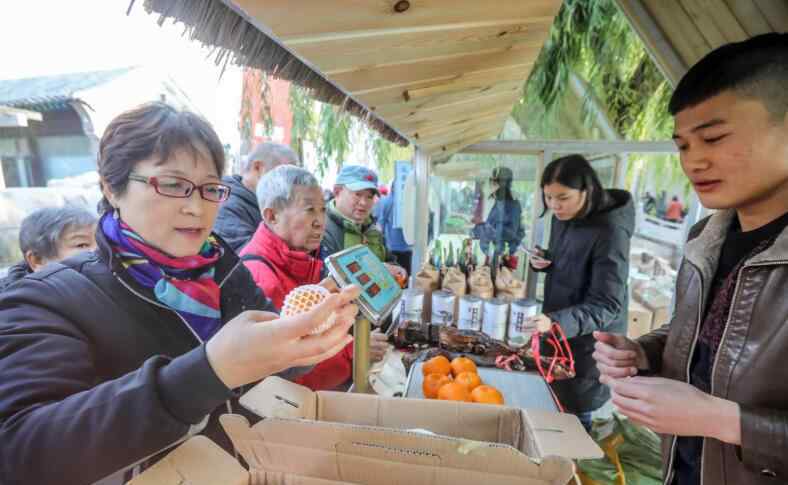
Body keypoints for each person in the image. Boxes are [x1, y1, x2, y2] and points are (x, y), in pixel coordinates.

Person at [0, 103, 359, 485]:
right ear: (111, 187)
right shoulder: (46, 299)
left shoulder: (224, 270)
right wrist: (208, 372)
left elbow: (267, 369)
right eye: (172, 184)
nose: (196, 207)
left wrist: (300, 340)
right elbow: (19, 451)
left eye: (209, 189)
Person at [593, 33, 788, 485]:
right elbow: (701, 336)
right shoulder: (707, 237)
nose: (694, 161)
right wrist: (645, 351)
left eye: (714, 138)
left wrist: (724, 421)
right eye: (682, 145)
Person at [240, 165, 388, 391]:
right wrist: (354, 350)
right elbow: (286, 372)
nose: (320, 221)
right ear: (272, 216)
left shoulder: (304, 260)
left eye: (322, 210)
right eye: (309, 210)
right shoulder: (260, 277)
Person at [528, 154, 634, 430]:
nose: (554, 206)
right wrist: (547, 260)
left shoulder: (611, 231)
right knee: (553, 405)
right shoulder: (563, 217)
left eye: (563, 197)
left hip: (589, 343)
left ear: (586, 191)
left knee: (575, 417)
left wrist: (556, 323)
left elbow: (607, 304)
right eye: (548, 198)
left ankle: (573, 465)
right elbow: (574, 260)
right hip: (560, 329)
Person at [322, 165, 406, 281]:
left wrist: (398, 270)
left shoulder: (372, 228)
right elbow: (326, 279)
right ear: (337, 191)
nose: (364, 202)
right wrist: (377, 270)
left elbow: (389, 260)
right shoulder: (321, 229)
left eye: (370, 197)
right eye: (357, 194)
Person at [213, 142, 298, 251]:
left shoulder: (260, 203)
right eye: (285, 176)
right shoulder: (228, 208)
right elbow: (249, 259)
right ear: (258, 168)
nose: (290, 186)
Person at [0, 205, 97, 291]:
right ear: (37, 260)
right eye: (82, 245)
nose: (99, 250)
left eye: (100, 242)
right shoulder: (17, 306)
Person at [474, 167, 525, 257]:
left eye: (493, 181)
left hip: (501, 255)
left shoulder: (513, 206)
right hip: (490, 253)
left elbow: (511, 233)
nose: (491, 183)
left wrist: (486, 229)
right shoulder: (496, 202)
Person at [373, 171, 413, 275]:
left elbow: (380, 223)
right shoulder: (388, 201)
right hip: (396, 247)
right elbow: (380, 224)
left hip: (402, 247)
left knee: (402, 277)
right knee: (401, 276)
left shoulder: (387, 201)